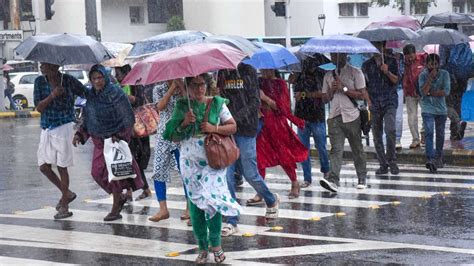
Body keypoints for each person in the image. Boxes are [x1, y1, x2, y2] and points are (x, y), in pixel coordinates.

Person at [163, 74, 241, 264]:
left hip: (213, 161)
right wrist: (183, 123)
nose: (199, 89)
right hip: (189, 162)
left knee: (213, 202)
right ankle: (202, 247)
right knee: (196, 206)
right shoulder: (182, 106)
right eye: (195, 85)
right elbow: (171, 136)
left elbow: (232, 127)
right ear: (188, 87)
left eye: (202, 85)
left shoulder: (217, 103)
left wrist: (213, 128)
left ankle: (217, 245)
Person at [73, 64, 144, 221]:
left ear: (105, 77)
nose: (97, 81)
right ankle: (119, 198)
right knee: (97, 172)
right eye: (93, 78)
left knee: (115, 175)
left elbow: (127, 117)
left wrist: (119, 134)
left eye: (99, 78)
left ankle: (115, 207)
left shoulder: (116, 93)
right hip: (99, 141)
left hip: (114, 140)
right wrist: (80, 133)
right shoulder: (91, 96)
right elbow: (88, 117)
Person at [218, 64, 280, 237]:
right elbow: (222, 99)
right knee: (227, 176)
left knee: (250, 173)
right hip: (228, 131)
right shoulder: (222, 72)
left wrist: (236, 118)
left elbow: (254, 101)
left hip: (246, 129)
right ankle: (232, 220)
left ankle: (270, 199)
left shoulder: (249, 71)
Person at [33, 63, 86, 219]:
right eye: (41, 64)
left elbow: (85, 93)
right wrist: (53, 95)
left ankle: (64, 205)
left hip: (64, 125)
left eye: (45, 64)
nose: (41, 66)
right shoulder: (39, 82)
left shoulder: (68, 80)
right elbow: (39, 107)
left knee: (62, 166)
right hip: (47, 126)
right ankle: (67, 193)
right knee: (43, 166)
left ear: (54, 66)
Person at [320, 53, 368, 192]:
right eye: (333, 55)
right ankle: (334, 180)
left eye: (338, 55)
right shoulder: (328, 75)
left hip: (352, 115)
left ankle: (361, 176)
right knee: (336, 150)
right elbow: (324, 99)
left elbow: (362, 94)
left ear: (344, 56)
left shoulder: (355, 72)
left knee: (357, 148)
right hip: (335, 116)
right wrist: (332, 90)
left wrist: (344, 88)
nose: (335, 58)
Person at [257, 69, 307, 198]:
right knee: (260, 157)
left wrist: (265, 98)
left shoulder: (280, 84)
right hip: (262, 124)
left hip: (277, 125)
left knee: (284, 155)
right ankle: (260, 190)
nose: (263, 71)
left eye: (265, 68)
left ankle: (294, 183)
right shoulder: (258, 82)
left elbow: (282, 107)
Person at [149, 79, 190, 223]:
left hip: (180, 133)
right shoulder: (158, 89)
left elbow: (189, 106)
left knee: (185, 170)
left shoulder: (186, 86)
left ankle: (189, 207)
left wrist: (182, 89)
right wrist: (171, 89)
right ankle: (163, 208)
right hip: (163, 134)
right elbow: (160, 107)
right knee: (158, 170)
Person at [115, 64, 152, 201]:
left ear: (126, 73)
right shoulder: (118, 86)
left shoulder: (136, 84)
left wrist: (127, 97)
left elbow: (140, 101)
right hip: (124, 128)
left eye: (118, 73)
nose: (116, 77)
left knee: (135, 161)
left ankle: (145, 189)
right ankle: (130, 191)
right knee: (127, 159)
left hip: (137, 128)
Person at [362, 41, 400, 175]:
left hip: (389, 101)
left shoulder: (392, 61)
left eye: (379, 46)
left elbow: (396, 80)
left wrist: (387, 71)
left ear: (384, 46)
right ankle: (383, 163)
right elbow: (364, 87)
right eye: (374, 46)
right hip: (374, 102)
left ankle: (392, 160)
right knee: (377, 135)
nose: (376, 49)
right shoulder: (366, 65)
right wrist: (368, 101)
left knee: (390, 130)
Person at [293, 54, 331, 188]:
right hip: (302, 115)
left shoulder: (320, 73)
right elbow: (295, 90)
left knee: (321, 146)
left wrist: (305, 94)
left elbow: (323, 94)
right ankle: (307, 177)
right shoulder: (298, 74)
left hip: (316, 114)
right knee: (303, 148)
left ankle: (326, 171)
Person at [418, 54, 450, 173]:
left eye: (436, 64)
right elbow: (423, 92)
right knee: (429, 132)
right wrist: (430, 78)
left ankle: (438, 157)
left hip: (441, 109)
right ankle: (430, 158)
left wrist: (431, 93)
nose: (434, 66)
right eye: (431, 64)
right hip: (427, 108)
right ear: (427, 65)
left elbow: (446, 91)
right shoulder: (423, 75)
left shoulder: (444, 74)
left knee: (440, 134)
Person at [403, 44, 425, 149]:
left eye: (411, 55)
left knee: (426, 114)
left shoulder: (422, 58)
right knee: (412, 117)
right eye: (407, 56)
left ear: (414, 53)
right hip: (409, 93)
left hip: (422, 92)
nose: (410, 58)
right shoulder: (403, 63)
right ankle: (415, 139)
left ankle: (424, 134)